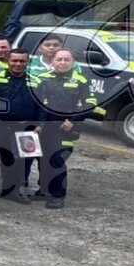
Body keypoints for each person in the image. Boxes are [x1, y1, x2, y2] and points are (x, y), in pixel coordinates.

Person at [34, 49, 97, 209]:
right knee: (42, 159)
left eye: (66, 60)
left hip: (65, 128)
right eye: (59, 59)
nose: (62, 63)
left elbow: (90, 103)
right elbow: (37, 104)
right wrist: (38, 124)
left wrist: (74, 121)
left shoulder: (81, 80)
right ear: (53, 61)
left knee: (57, 159)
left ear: (73, 62)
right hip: (44, 127)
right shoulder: (42, 79)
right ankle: (44, 190)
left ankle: (57, 195)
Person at [0, 49, 41, 203]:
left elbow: (42, 106)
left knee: (21, 163)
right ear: (8, 61)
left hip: (26, 127)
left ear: (28, 62)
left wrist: (40, 124)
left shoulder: (36, 82)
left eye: (22, 61)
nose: (18, 64)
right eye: (14, 61)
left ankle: (12, 191)